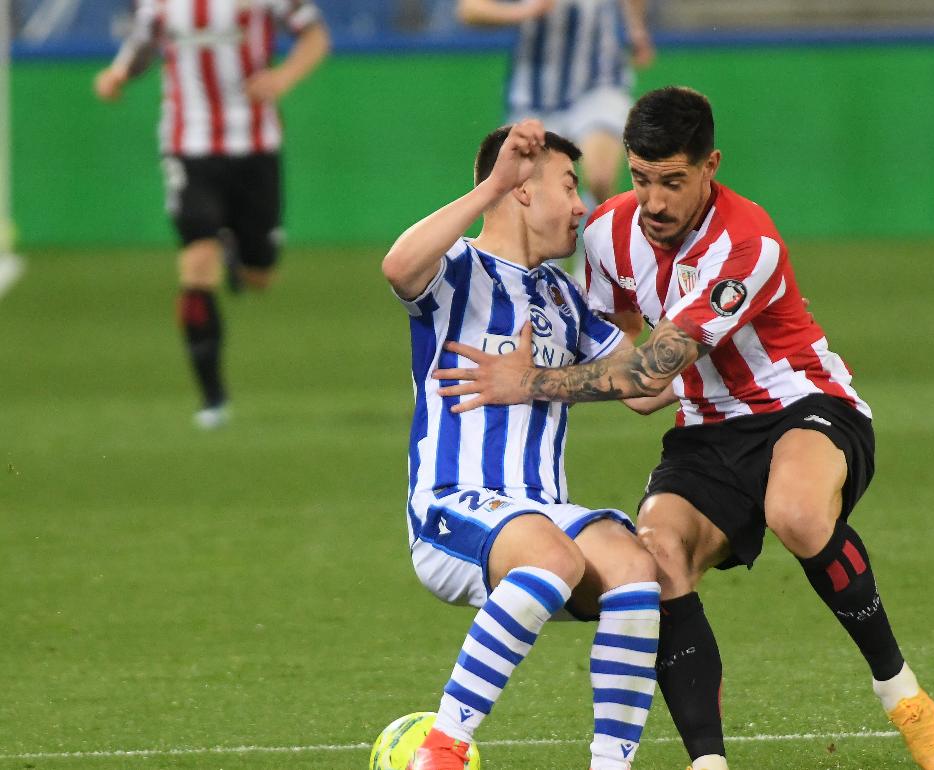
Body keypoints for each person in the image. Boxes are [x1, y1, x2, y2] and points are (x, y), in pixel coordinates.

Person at [431, 87, 934, 770]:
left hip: (801, 404)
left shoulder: (748, 247)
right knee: (656, 557)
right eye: (640, 178)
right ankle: (707, 763)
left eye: (673, 182)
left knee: (796, 512)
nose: (653, 201)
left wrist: (529, 381)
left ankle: (903, 695)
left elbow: (649, 373)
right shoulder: (607, 234)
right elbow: (625, 362)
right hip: (705, 428)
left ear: (711, 165)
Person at [381, 120, 668, 770]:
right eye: (568, 186)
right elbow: (396, 266)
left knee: (635, 568)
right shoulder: (456, 271)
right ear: (521, 190)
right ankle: (443, 750)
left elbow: (647, 388)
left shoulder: (564, 296)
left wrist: (708, 317)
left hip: (542, 511)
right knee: (551, 557)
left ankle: (610, 765)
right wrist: (491, 187)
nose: (580, 205)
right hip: (453, 506)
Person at [93, 0, 330, 429]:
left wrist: (282, 77)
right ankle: (212, 398)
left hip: (256, 147)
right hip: (188, 146)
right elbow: (144, 44)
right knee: (196, 264)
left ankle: (236, 251)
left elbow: (315, 37)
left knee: (260, 276)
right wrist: (117, 74)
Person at [457, 0, 655, 218]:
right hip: (535, 94)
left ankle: (593, 241)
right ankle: (561, 241)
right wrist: (524, 11)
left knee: (600, 176)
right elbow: (470, 10)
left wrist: (635, 27)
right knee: (537, 200)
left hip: (600, 80)